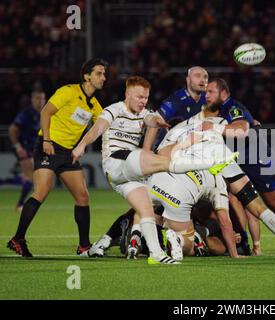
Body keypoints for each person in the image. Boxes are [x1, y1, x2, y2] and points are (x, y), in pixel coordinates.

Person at [71, 76, 236, 264]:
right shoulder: (114, 110)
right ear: (127, 94)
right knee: (164, 161)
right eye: (139, 97)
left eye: (146, 97)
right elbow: (97, 129)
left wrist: (156, 123)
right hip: (116, 162)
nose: (143, 101)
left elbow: (150, 119)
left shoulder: (144, 113)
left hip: (126, 176)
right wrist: (82, 145)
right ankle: (208, 163)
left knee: (146, 212)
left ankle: (155, 254)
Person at [155, 97, 275, 257]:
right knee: (255, 207)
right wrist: (252, 124)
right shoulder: (220, 124)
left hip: (191, 171)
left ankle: (158, 238)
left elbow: (162, 154)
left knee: (157, 207)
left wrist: (180, 148)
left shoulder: (177, 130)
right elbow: (241, 127)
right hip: (217, 163)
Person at [7, 58, 107, 257]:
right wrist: (47, 140)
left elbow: (104, 125)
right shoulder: (68, 91)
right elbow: (46, 112)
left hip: (67, 154)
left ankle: (84, 246)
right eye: (99, 73)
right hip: (48, 147)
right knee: (41, 191)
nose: (104, 78)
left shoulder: (94, 105)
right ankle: (17, 239)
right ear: (87, 76)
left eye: (104, 74)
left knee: (83, 197)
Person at [200, 79, 275, 256]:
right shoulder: (220, 109)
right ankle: (242, 241)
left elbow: (241, 130)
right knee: (232, 198)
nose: (207, 95)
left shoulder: (232, 107)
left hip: (258, 162)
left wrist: (216, 129)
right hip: (239, 162)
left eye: (211, 91)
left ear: (223, 93)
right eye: (206, 92)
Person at [7, 89, 46, 212]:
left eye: (42, 98)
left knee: (33, 178)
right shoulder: (26, 113)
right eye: (37, 98)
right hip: (24, 148)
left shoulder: (46, 113)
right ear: (32, 100)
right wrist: (18, 147)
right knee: (30, 176)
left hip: (36, 150)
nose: (40, 101)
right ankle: (20, 205)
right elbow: (12, 130)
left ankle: (21, 203)